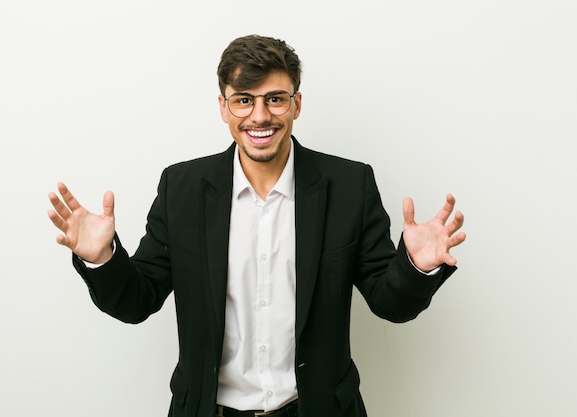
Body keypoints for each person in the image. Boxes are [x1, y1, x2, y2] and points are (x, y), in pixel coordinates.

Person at [48, 34, 466, 417]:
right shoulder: (183, 189)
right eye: (244, 100)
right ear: (223, 107)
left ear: (297, 104)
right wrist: (103, 259)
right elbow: (138, 300)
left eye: (275, 99)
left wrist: (416, 265)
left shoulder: (349, 186)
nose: (260, 116)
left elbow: (388, 303)